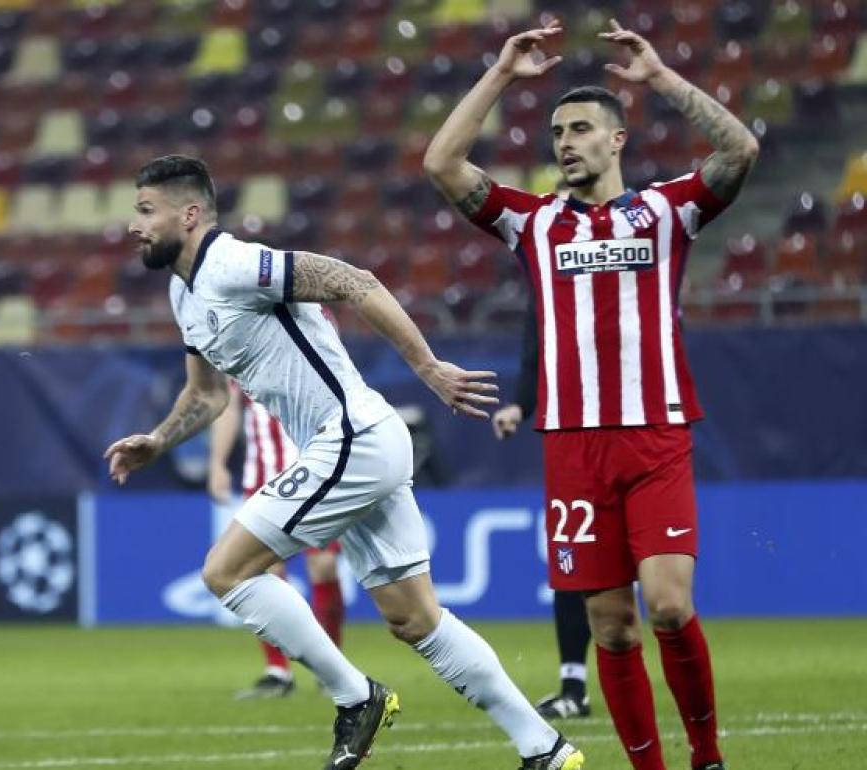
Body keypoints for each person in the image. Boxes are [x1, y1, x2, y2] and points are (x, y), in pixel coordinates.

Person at [105, 155, 584, 770]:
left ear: (190, 213)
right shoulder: (184, 292)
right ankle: (545, 748)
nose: (133, 225)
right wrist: (158, 440)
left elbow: (352, 281)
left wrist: (427, 367)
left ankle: (356, 698)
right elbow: (208, 394)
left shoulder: (234, 263)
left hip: (351, 436)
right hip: (354, 448)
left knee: (226, 573)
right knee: (416, 620)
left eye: (146, 211)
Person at [424, 18, 757, 770]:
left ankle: (707, 758)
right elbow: (441, 161)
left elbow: (740, 150)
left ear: (617, 140)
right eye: (556, 131)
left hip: (655, 433)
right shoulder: (534, 223)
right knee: (612, 628)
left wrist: (662, 78)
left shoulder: (668, 211)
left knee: (669, 605)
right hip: (572, 448)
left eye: (581, 128)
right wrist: (503, 73)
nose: (565, 141)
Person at [208, 382, 345, 699]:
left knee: (323, 566)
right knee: (264, 571)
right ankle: (278, 671)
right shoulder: (241, 344)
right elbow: (228, 405)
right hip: (264, 476)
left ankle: (331, 669)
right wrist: (217, 464)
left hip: (316, 471)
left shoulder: (316, 334)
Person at [492, 301, 593, 720]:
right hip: (569, 441)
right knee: (570, 562)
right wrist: (519, 406)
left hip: (635, 437)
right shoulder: (546, 284)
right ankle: (574, 687)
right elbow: (535, 359)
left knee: (652, 588)